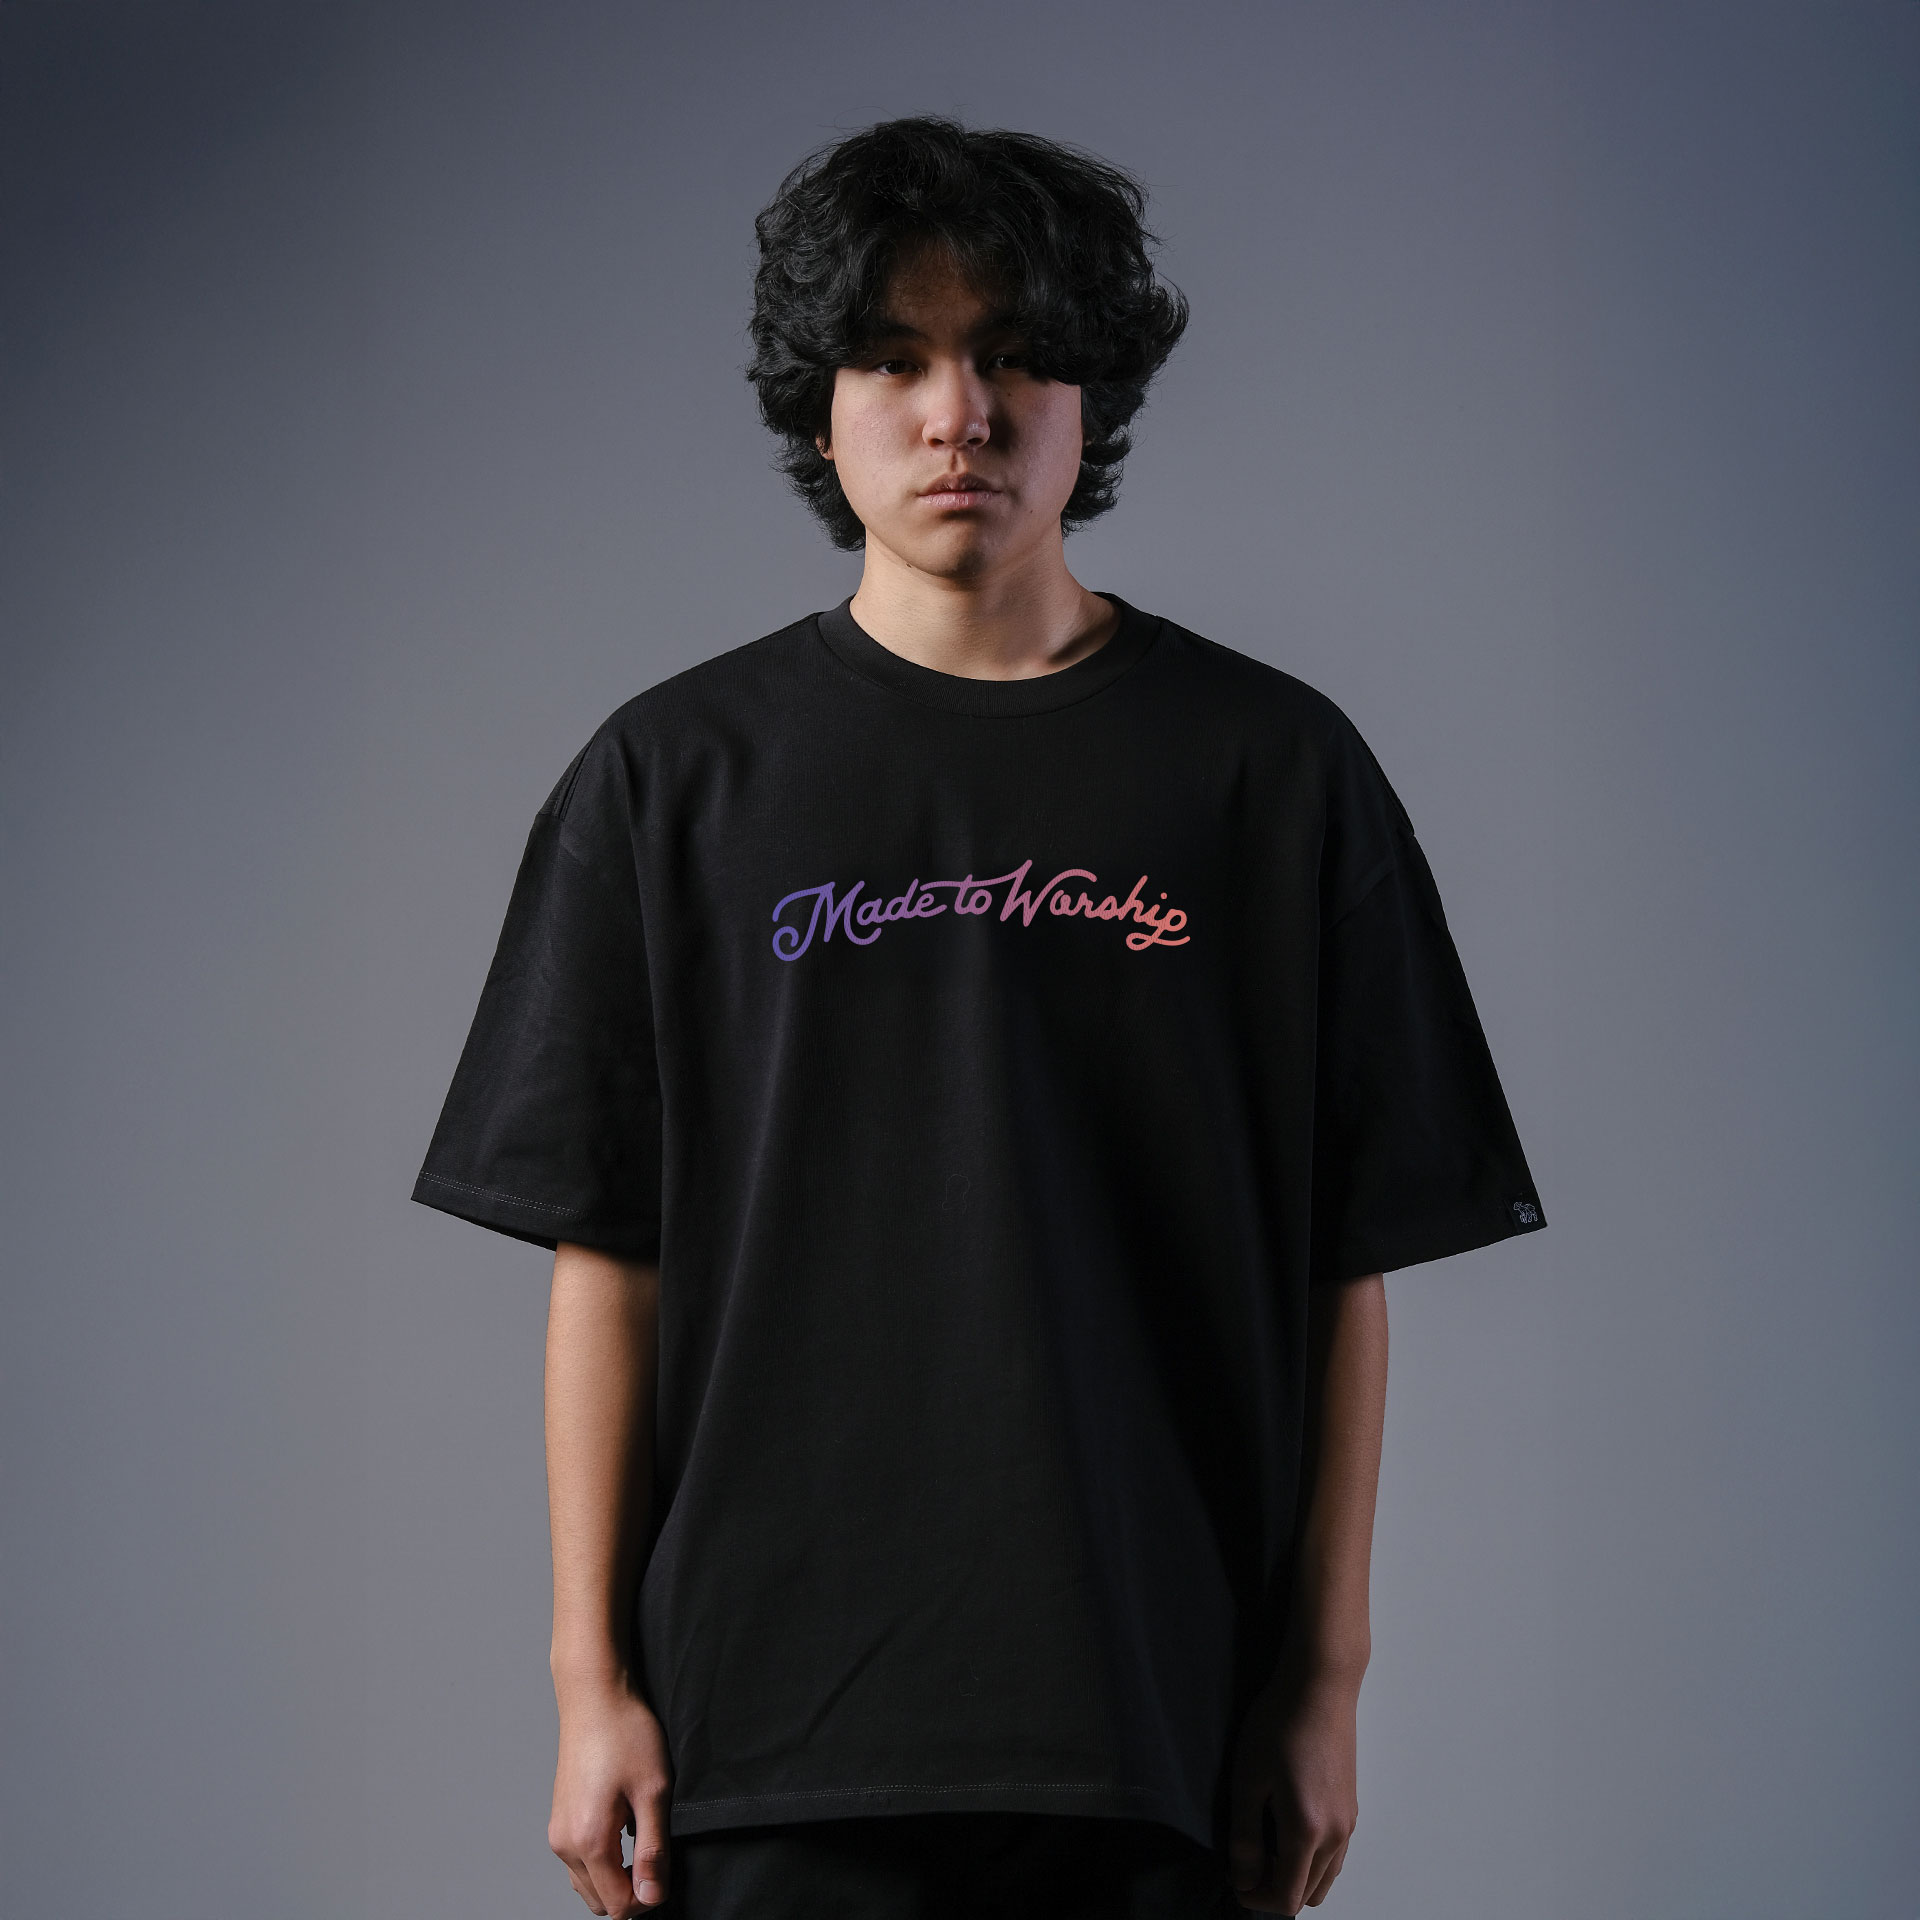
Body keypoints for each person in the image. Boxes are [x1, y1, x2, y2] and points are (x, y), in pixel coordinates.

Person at [412, 116, 1545, 1920]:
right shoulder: (672, 782)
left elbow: (1347, 1259)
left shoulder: (1271, 772)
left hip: (1155, 1716)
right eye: (897, 358)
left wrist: (1325, 1683)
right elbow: (605, 1259)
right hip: (761, 1726)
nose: (963, 414)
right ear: (823, 408)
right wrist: (587, 1683)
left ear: (1093, 400)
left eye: (1018, 355)